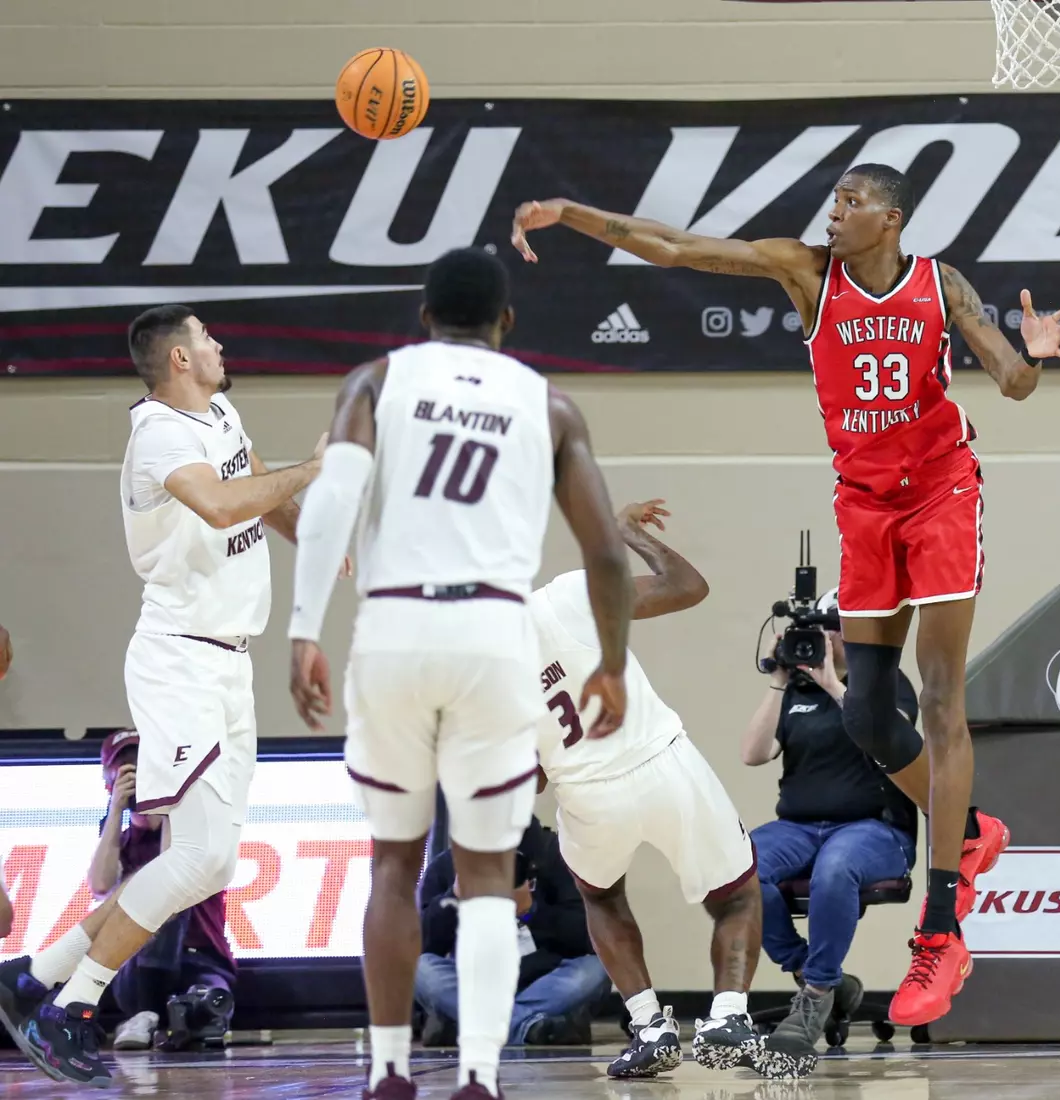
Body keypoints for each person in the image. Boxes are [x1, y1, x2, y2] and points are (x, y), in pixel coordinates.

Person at [511, 164, 1060, 1024]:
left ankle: (941, 928)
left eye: (852, 203)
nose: (834, 213)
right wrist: (571, 210)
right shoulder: (806, 273)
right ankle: (970, 823)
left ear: (892, 217)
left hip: (942, 493)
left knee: (945, 696)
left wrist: (1029, 353)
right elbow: (674, 247)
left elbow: (1016, 381)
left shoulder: (940, 283)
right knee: (870, 718)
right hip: (864, 503)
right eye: (833, 201)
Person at [284, 247, 635, 1100]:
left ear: (423, 318)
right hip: (492, 633)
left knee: (395, 865)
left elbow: (330, 501)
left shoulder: (376, 381)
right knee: (485, 875)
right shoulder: (547, 404)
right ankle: (479, 1074)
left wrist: (301, 629)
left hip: (396, 625)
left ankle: (391, 1070)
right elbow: (608, 555)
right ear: (506, 322)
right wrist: (613, 667)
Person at [0, 305, 323, 1089]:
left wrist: (311, 531)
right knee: (201, 854)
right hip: (180, 660)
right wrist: (322, 466)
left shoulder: (218, 410)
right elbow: (217, 504)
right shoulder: (159, 435)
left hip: (228, 662)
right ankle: (71, 1007)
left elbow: (248, 492)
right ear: (179, 358)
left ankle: (32, 976)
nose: (221, 343)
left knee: (206, 866)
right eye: (209, 338)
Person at [528, 500, 791, 1077]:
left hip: (585, 792)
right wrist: (627, 533)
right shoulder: (566, 597)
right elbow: (687, 586)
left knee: (600, 896)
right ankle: (726, 1018)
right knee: (738, 895)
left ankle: (650, 1027)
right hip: (662, 764)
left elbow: (531, 775)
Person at [741, 588, 918, 1062]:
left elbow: (894, 736)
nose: (823, 637)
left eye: (831, 627)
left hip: (875, 829)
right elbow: (753, 754)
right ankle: (814, 974)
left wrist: (835, 686)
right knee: (735, 866)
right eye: (817, 628)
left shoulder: (884, 681)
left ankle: (816, 996)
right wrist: (778, 682)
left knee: (835, 869)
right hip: (799, 827)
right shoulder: (794, 690)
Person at [93, 730, 237, 1053]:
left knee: (213, 1005)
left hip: (200, 963)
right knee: (159, 897)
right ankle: (148, 1011)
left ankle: (166, 1019)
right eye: (127, 768)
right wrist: (115, 809)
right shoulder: (119, 841)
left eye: (145, 764)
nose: (139, 774)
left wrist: (169, 801)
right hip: (137, 967)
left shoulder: (196, 831)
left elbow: (174, 870)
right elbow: (100, 885)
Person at [415, 818, 610, 1049]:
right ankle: (530, 1026)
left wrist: (531, 912)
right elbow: (425, 944)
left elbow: (584, 936)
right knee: (420, 968)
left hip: (545, 979)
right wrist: (455, 896)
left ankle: (468, 1024)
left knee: (597, 969)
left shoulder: (555, 855)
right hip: (476, 981)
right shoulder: (449, 865)